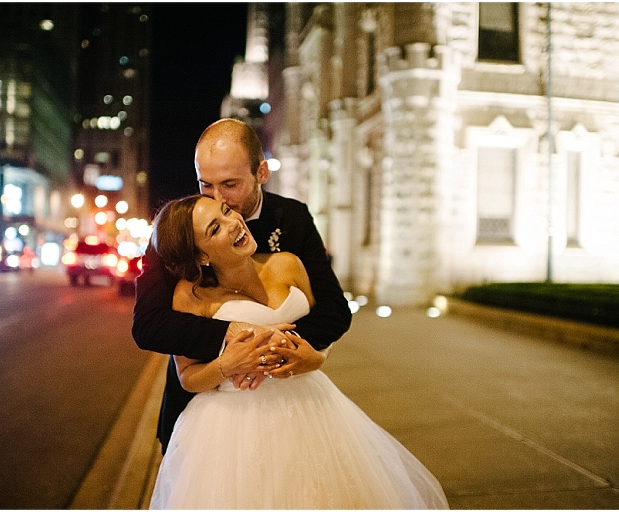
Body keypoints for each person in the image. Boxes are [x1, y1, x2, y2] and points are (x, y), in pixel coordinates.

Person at [148, 195, 450, 509]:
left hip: (311, 403)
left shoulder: (287, 263)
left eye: (226, 212)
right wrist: (227, 363)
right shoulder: (191, 296)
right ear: (200, 257)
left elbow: (321, 328)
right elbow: (187, 377)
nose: (233, 223)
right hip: (233, 424)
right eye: (215, 229)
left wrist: (317, 358)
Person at [132, 119, 352, 452]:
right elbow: (149, 325)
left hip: (294, 410)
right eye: (206, 185)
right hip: (208, 416)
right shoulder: (180, 231)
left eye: (230, 184)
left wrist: (276, 353)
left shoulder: (292, 217)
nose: (219, 198)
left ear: (261, 172)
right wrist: (233, 335)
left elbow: (334, 309)